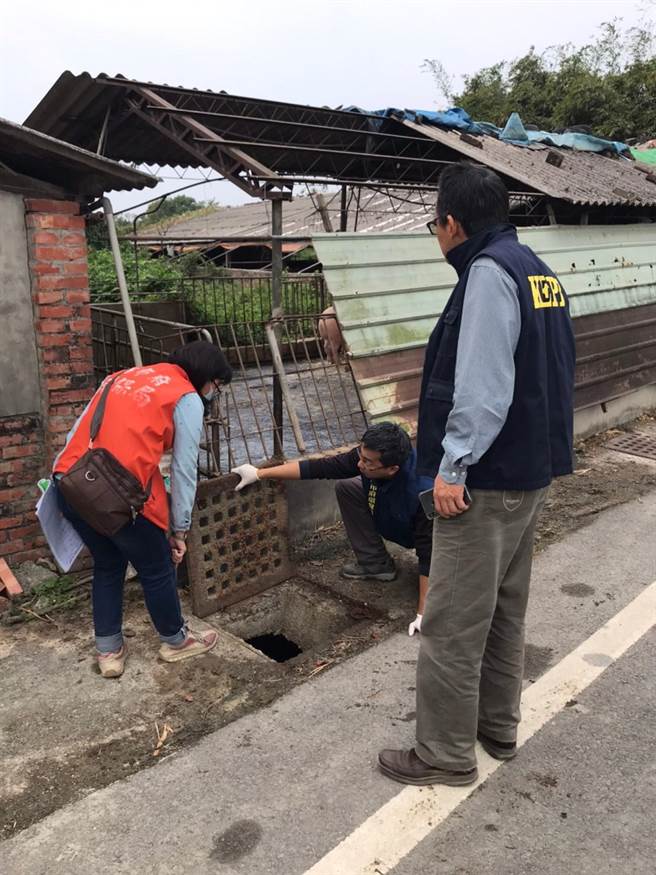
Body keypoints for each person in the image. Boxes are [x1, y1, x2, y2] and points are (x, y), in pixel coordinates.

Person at [378, 164, 575, 786]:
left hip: (483, 481)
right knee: (505, 608)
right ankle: (497, 726)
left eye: (435, 225)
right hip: (530, 472)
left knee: (453, 622)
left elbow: (483, 388)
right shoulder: (536, 270)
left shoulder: (488, 274)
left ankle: (442, 753)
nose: (437, 237)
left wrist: (452, 466)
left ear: (453, 223)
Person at [52, 341, 233, 678]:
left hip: (71, 482)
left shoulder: (121, 376)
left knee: (108, 564)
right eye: (218, 386)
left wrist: (60, 483)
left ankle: (109, 651)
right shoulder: (186, 397)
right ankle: (175, 642)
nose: (215, 394)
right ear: (207, 376)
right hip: (116, 499)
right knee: (157, 566)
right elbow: (183, 469)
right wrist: (179, 530)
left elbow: (77, 432)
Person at [231, 422, 433, 631]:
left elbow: (429, 554)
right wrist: (259, 474)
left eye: (367, 462)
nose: (359, 464)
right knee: (348, 487)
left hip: (444, 549)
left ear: (392, 469)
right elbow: (322, 467)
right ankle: (376, 565)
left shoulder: (423, 493)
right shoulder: (370, 459)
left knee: (444, 577)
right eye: (360, 456)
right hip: (397, 519)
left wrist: (423, 613)